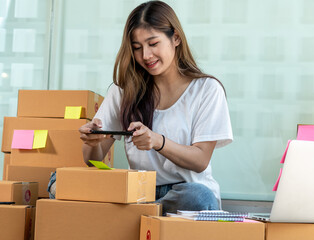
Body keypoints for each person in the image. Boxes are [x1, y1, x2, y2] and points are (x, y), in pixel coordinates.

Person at [78, 0, 233, 214]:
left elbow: (200, 160)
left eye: (153, 44)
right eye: (137, 48)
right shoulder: (123, 90)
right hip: (140, 191)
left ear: (176, 38)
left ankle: (136, 213)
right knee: (59, 180)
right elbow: (93, 160)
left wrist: (158, 141)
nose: (145, 56)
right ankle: (142, 211)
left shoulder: (206, 89)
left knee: (198, 196)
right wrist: (93, 141)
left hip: (184, 194)